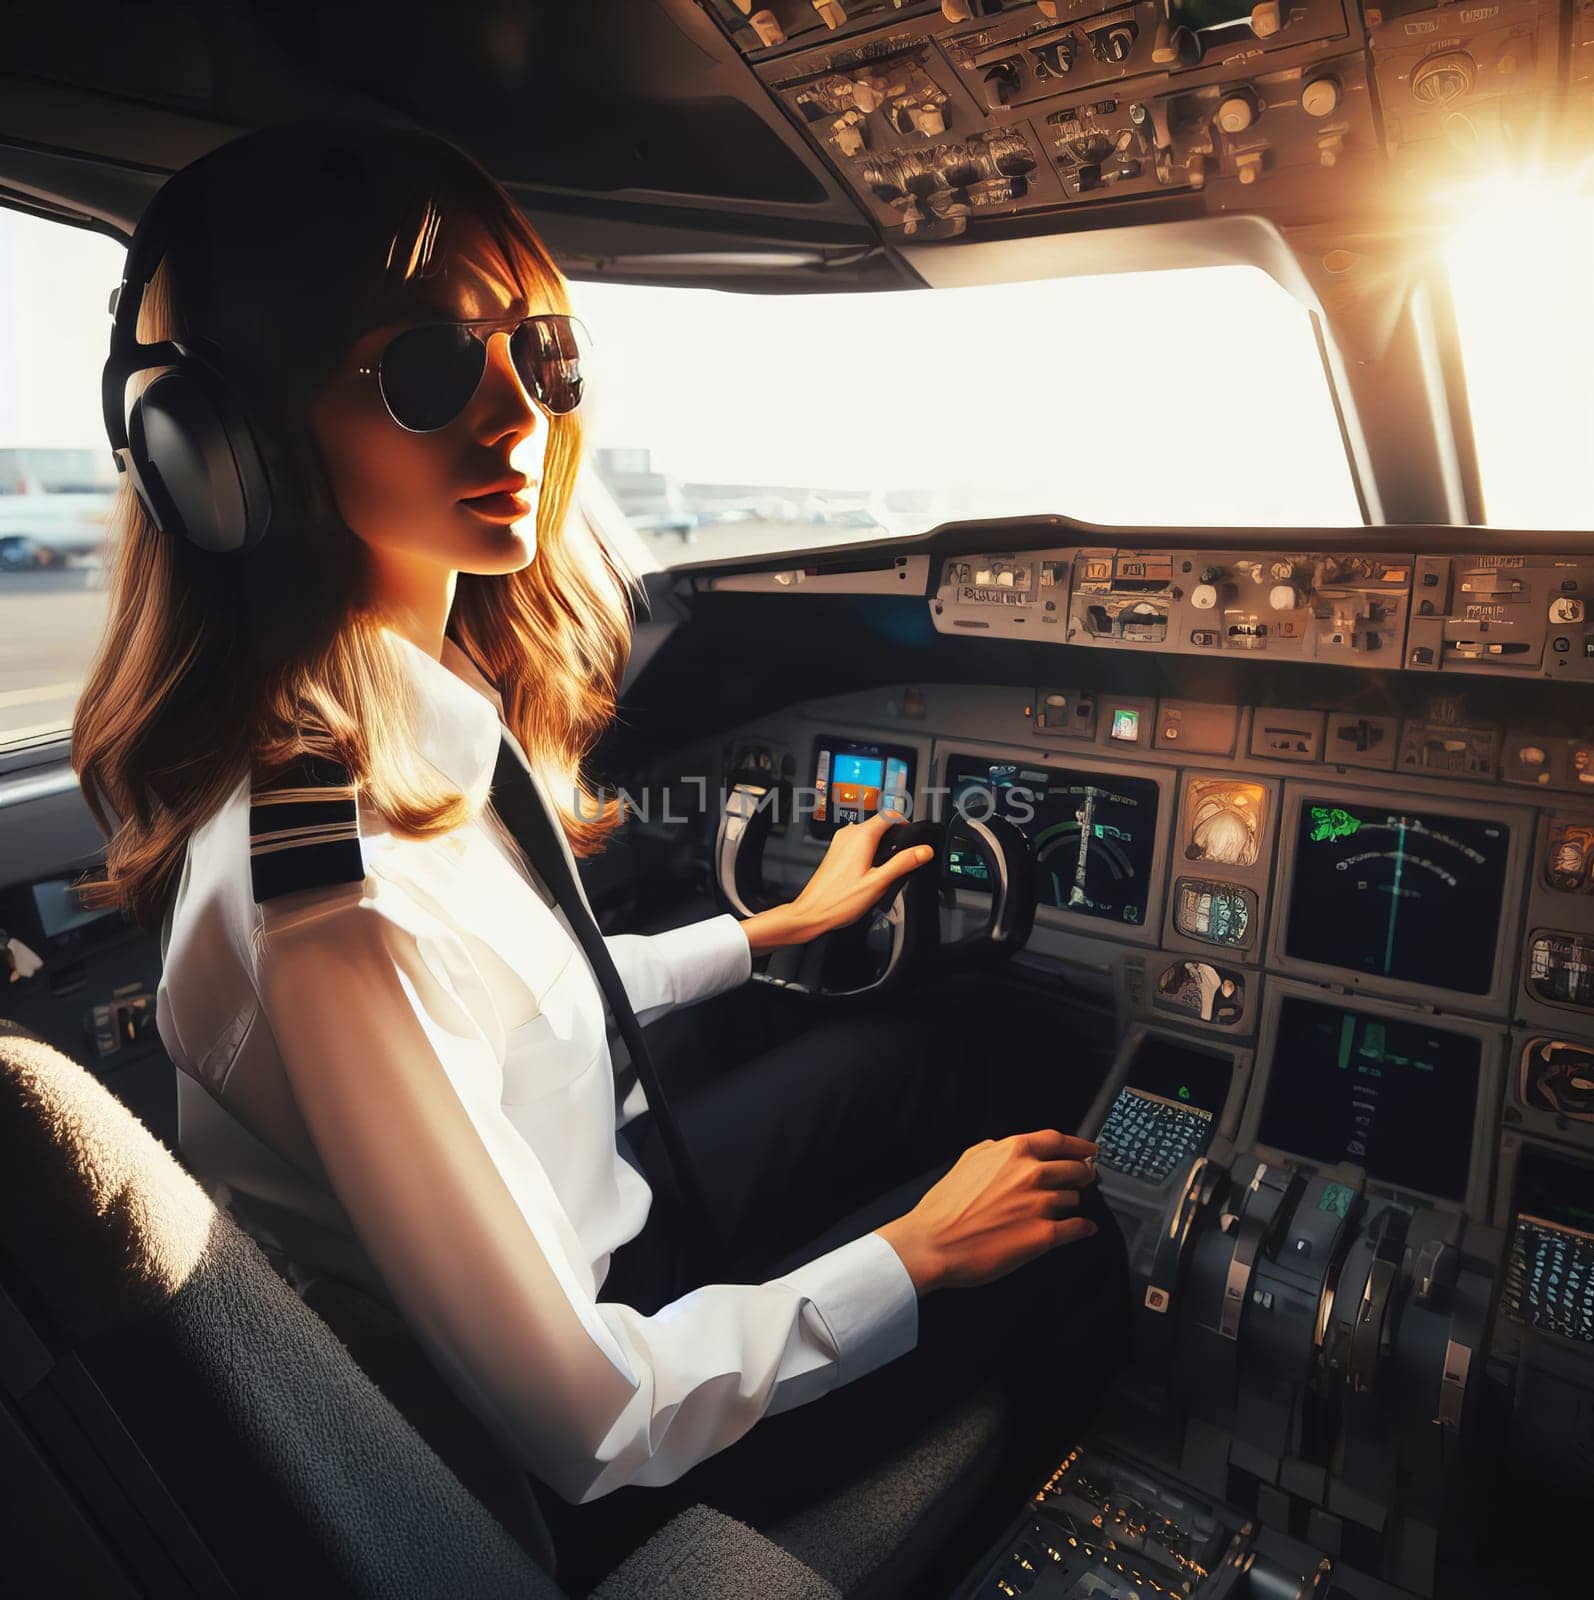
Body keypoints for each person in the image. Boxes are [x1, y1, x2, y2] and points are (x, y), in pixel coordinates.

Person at [71, 117, 1126, 1576]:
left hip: (594, 1216)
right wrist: (919, 1254)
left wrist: (769, 932)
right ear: (226, 453)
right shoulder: (336, 906)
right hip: (584, 1428)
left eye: (539, 356)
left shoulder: (398, 725)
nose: (520, 419)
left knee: (960, 1045)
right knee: (1079, 1253)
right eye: (428, 368)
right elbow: (590, 1416)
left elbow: (517, 1007)